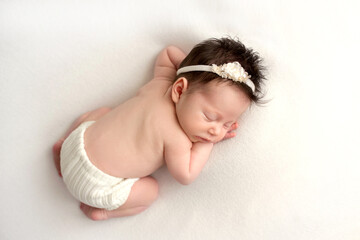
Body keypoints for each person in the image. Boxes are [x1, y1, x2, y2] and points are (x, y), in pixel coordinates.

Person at [52, 37, 266, 221]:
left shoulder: (160, 82)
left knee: (102, 112)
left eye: (227, 124)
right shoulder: (178, 141)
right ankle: (104, 213)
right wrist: (205, 145)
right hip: (95, 186)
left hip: (75, 146)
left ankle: (62, 146)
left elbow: (169, 52)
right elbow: (186, 176)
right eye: (210, 117)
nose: (216, 131)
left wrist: (197, 75)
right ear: (179, 89)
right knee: (150, 191)